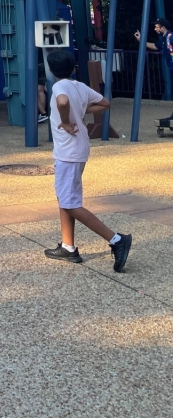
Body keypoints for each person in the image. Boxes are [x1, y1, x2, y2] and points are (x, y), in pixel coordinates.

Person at [43, 47, 132, 271]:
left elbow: (62, 102)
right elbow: (105, 103)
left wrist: (65, 120)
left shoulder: (59, 86)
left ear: (51, 70)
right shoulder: (80, 87)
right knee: (66, 197)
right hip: (79, 149)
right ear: (73, 68)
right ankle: (68, 247)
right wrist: (81, 110)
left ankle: (116, 240)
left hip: (68, 152)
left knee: (70, 203)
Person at [134, 17, 173, 104]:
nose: (155, 29)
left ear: (163, 28)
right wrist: (141, 40)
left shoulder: (170, 37)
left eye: (157, 27)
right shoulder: (164, 39)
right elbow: (155, 46)